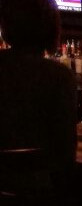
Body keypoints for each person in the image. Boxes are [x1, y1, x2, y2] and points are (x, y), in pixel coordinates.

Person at [0, 0, 76, 174]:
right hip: (40, 186)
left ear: (6, 25)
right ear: (52, 27)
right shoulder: (60, 77)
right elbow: (66, 155)